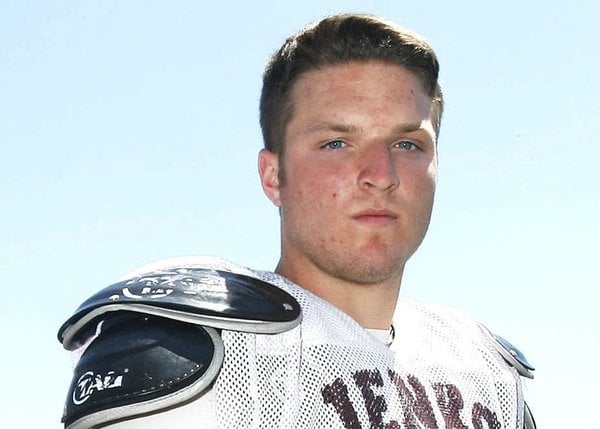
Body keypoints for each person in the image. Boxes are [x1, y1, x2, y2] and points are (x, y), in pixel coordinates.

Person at [58, 13, 535, 428]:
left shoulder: (483, 368)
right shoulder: (207, 350)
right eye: (336, 143)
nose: (380, 176)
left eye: (407, 144)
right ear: (273, 176)